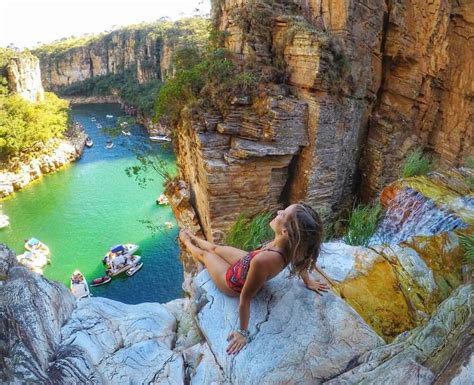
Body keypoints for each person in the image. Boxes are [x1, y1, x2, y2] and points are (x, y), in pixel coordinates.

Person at [179, 202, 329, 355]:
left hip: (231, 281)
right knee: (215, 248)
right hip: (247, 263)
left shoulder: (263, 260)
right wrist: (308, 281)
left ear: (285, 231)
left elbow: (245, 298)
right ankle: (192, 236)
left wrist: (242, 333)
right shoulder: (292, 246)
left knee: (207, 255)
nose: (278, 211)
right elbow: (301, 259)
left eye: (282, 214)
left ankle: (186, 241)